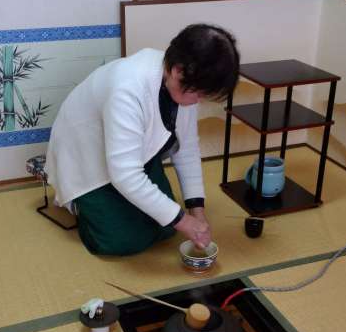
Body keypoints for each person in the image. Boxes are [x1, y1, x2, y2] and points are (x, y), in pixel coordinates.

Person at [45, 23, 240, 255]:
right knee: (122, 241)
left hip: (130, 155)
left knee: (165, 227)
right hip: (85, 159)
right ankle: (79, 205)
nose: (199, 101)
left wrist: (196, 212)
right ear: (178, 71)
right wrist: (183, 221)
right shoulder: (128, 88)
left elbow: (187, 149)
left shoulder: (181, 83)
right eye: (198, 94)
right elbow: (126, 175)